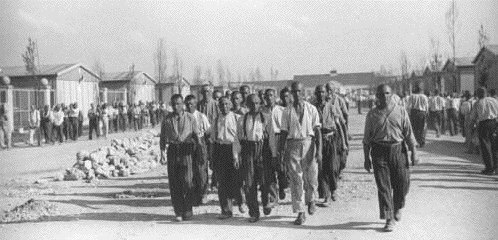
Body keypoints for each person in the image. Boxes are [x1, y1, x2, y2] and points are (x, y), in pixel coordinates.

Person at [363, 84, 418, 232]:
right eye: (381, 94)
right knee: (384, 187)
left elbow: (409, 133)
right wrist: (366, 158)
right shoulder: (372, 115)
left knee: (403, 183)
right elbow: (367, 139)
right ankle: (389, 218)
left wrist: (414, 151)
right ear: (377, 97)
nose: (384, 97)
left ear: (392, 94)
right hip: (379, 151)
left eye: (387, 94)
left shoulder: (400, 111)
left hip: (398, 150)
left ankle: (399, 205)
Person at [278, 82, 322, 225]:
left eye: (299, 91)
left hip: (309, 144)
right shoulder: (287, 111)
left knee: (311, 176)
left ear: (303, 92)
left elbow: (317, 131)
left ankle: (312, 199)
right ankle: (300, 212)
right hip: (293, 145)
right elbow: (283, 132)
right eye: (294, 92)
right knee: (296, 179)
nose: (297, 94)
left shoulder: (311, 109)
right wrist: (281, 151)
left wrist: (319, 150)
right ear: (291, 93)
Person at [234, 94, 276, 222]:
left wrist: (274, 155)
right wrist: (236, 156)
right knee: (249, 182)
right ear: (247, 104)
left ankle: (265, 202)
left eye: (257, 103)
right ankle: (254, 212)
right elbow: (237, 139)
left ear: (261, 104)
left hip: (263, 150)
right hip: (248, 150)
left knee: (264, 180)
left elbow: (272, 138)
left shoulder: (266, 118)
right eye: (252, 103)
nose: (255, 106)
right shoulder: (242, 119)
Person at [160, 94, 201, 222]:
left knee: (188, 181)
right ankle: (178, 211)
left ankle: (188, 209)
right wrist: (162, 152)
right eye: (173, 104)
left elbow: (196, 135)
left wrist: (199, 150)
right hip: (173, 150)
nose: (175, 107)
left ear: (182, 104)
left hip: (186, 149)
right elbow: (162, 137)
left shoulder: (190, 118)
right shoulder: (167, 119)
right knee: (174, 182)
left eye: (178, 104)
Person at [212, 96, 245, 219]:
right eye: (221, 104)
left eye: (226, 104)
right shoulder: (215, 120)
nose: (224, 107)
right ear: (218, 106)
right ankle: (226, 210)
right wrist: (213, 156)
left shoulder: (237, 118)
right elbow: (213, 139)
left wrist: (238, 154)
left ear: (230, 105)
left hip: (234, 149)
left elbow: (240, 138)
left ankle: (240, 201)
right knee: (222, 182)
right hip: (221, 150)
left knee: (236, 179)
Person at [312, 85, 345, 205]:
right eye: (318, 92)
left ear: (326, 94)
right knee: (321, 169)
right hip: (317, 140)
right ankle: (326, 196)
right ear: (316, 94)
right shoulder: (313, 108)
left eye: (323, 92)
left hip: (331, 138)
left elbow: (339, 125)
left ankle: (333, 188)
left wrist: (344, 142)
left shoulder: (331, 107)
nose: (321, 94)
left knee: (331, 167)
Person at [185, 95, 211, 205]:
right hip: (187, 144)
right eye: (187, 104)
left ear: (196, 104)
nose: (189, 106)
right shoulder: (184, 116)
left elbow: (208, 132)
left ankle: (203, 193)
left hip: (200, 143)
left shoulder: (201, 116)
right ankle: (194, 194)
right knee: (190, 170)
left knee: (201, 170)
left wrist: (204, 145)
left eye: (192, 104)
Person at [263, 88, 288, 200]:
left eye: (271, 95)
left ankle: (282, 186)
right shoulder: (261, 112)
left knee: (281, 166)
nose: (269, 97)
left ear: (275, 96)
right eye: (267, 95)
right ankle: (273, 195)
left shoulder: (282, 110)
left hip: (279, 138)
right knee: (269, 168)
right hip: (267, 139)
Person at [471, 87, 498, 175]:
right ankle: (496, 167)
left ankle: (489, 168)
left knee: (485, 146)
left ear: (479, 94)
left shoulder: (477, 103)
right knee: (495, 146)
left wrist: (472, 127)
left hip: (483, 124)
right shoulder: (494, 101)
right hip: (494, 123)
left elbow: (473, 117)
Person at [197, 84, 220, 191]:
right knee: (202, 161)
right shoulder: (198, 105)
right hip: (202, 137)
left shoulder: (216, 104)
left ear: (211, 92)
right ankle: (204, 185)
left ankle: (215, 183)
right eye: (204, 91)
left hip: (213, 136)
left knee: (215, 161)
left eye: (208, 91)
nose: (206, 93)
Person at [326, 82, 349, 176]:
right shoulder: (325, 100)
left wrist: (346, 128)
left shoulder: (339, 100)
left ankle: (340, 168)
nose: (328, 92)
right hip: (330, 128)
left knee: (342, 149)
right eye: (327, 89)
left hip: (339, 127)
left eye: (330, 90)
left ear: (334, 90)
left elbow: (346, 114)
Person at [407, 83, 429, 147]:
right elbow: (426, 106)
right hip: (422, 112)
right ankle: (422, 141)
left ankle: (416, 141)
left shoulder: (412, 96)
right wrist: (427, 113)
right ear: (421, 90)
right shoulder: (424, 96)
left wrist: (409, 113)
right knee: (422, 128)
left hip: (414, 112)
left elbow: (409, 106)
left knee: (414, 128)